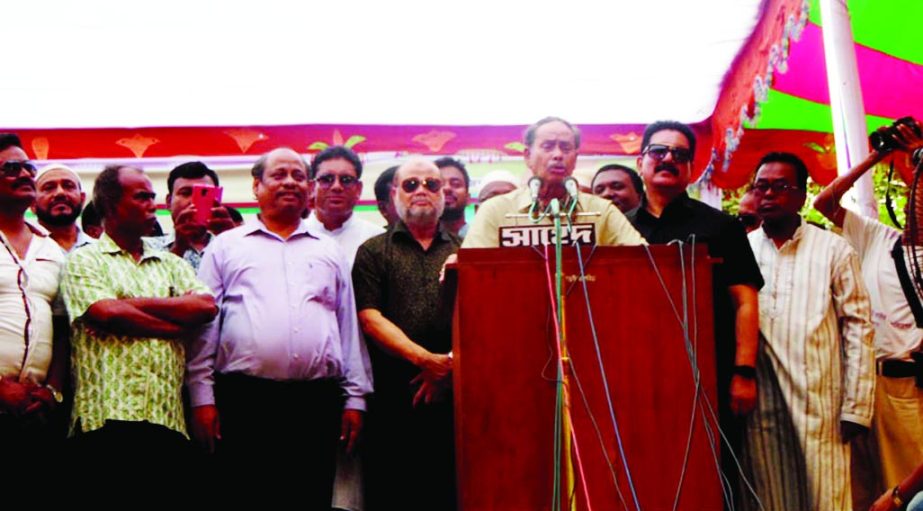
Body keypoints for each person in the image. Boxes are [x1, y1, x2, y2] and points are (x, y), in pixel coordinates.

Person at [187, 148, 372, 504]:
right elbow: (205, 330)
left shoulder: (328, 250)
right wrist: (202, 399)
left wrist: (355, 400)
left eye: (299, 176)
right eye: (279, 175)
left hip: (315, 402)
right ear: (257, 186)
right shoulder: (226, 247)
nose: (290, 182)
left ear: (309, 188)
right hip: (243, 400)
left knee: (309, 496)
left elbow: (346, 326)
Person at [628, 120, 763, 502]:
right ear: (642, 162)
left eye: (680, 154)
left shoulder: (720, 226)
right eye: (659, 151)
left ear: (689, 168)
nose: (668, 158)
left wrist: (743, 372)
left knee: (714, 478)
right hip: (639, 381)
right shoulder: (619, 229)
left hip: (712, 377)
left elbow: (746, 301)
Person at [60, 164, 217, 482]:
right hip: (104, 419)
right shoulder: (84, 259)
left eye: (153, 196)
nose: (154, 204)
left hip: (167, 418)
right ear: (110, 205)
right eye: (142, 197)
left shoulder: (172, 263)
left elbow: (205, 305)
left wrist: (126, 303)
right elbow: (107, 314)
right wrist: (174, 327)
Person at [744, 152, 875, 510]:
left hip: (821, 405)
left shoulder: (834, 250)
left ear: (802, 195)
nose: (768, 195)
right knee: (769, 498)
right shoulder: (742, 250)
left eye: (781, 187)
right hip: (762, 407)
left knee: (826, 497)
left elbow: (859, 329)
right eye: (761, 187)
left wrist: (856, 409)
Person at [813, 119, 923, 510]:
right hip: (862, 383)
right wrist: (879, 155)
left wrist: (915, 158)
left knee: (904, 493)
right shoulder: (879, 236)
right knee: (862, 489)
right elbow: (824, 203)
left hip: (909, 386)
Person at [353, 159, 459, 510]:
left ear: (445, 194)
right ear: (394, 194)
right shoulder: (373, 250)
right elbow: (369, 317)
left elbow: (481, 321)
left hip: (456, 395)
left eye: (432, 184)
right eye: (411, 184)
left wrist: (448, 367)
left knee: (449, 492)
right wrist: (427, 361)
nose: (423, 191)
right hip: (392, 397)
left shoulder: (466, 249)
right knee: (392, 494)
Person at [463, 116, 645, 248]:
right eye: (548, 146)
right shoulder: (496, 211)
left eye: (566, 148)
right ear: (527, 156)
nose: (558, 155)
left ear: (575, 157)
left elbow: (644, 260)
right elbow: (473, 270)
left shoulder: (601, 211)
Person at [0, 133, 67, 473]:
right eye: (12, 168)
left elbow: (62, 328)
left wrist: (52, 391)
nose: (26, 174)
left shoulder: (51, 248)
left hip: (36, 411)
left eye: (28, 166)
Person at [306, 145, 384, 264]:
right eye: (327, 179)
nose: (336, 186)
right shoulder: (294, 237)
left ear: (358, 189)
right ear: (312, 188)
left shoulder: (377, 240)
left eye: (346, 180)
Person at [156, 161, 234, 271]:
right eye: (185, 193)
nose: (193, 202)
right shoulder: (146, 248)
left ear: (217, 199)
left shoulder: (230, 245)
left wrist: (233, 239)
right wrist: (178, 248)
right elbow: (151, 286)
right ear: (169, 202)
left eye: (204, 193)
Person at [32, 164, 94, 252]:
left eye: (68, 186)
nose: (60, 193)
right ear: (33, 204)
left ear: (82, 199)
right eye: (49, 188)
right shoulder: (24, 249)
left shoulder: (98, 250)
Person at [435, 157, 471, 237]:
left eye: (456, 184)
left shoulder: (481, 239)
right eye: (439, 184)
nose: (447, 188)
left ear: (468, 197)